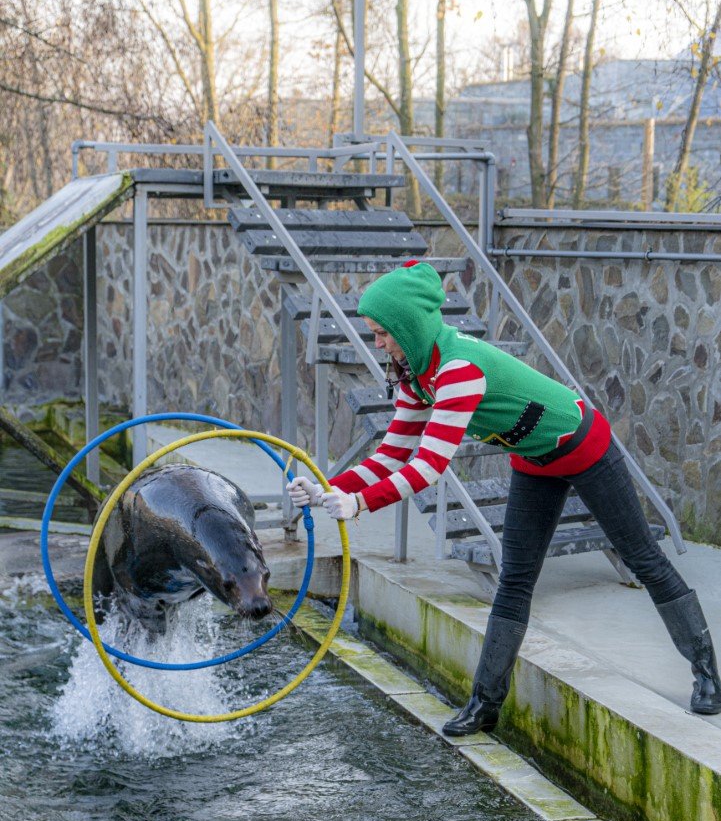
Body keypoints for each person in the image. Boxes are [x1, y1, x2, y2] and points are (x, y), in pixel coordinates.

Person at [287, 261, 721, 735]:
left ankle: (707, 677)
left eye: (383, 333)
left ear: (409, 326)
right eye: (374, 334)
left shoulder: (458, 371)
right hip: (533, 460)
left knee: (645, 560)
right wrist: (331, 490)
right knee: (515, 578)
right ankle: (484, 705)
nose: (378, 344)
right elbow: (393, 453)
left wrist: (359, 505)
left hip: (583, 447)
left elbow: (429, 467)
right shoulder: (414, 377)